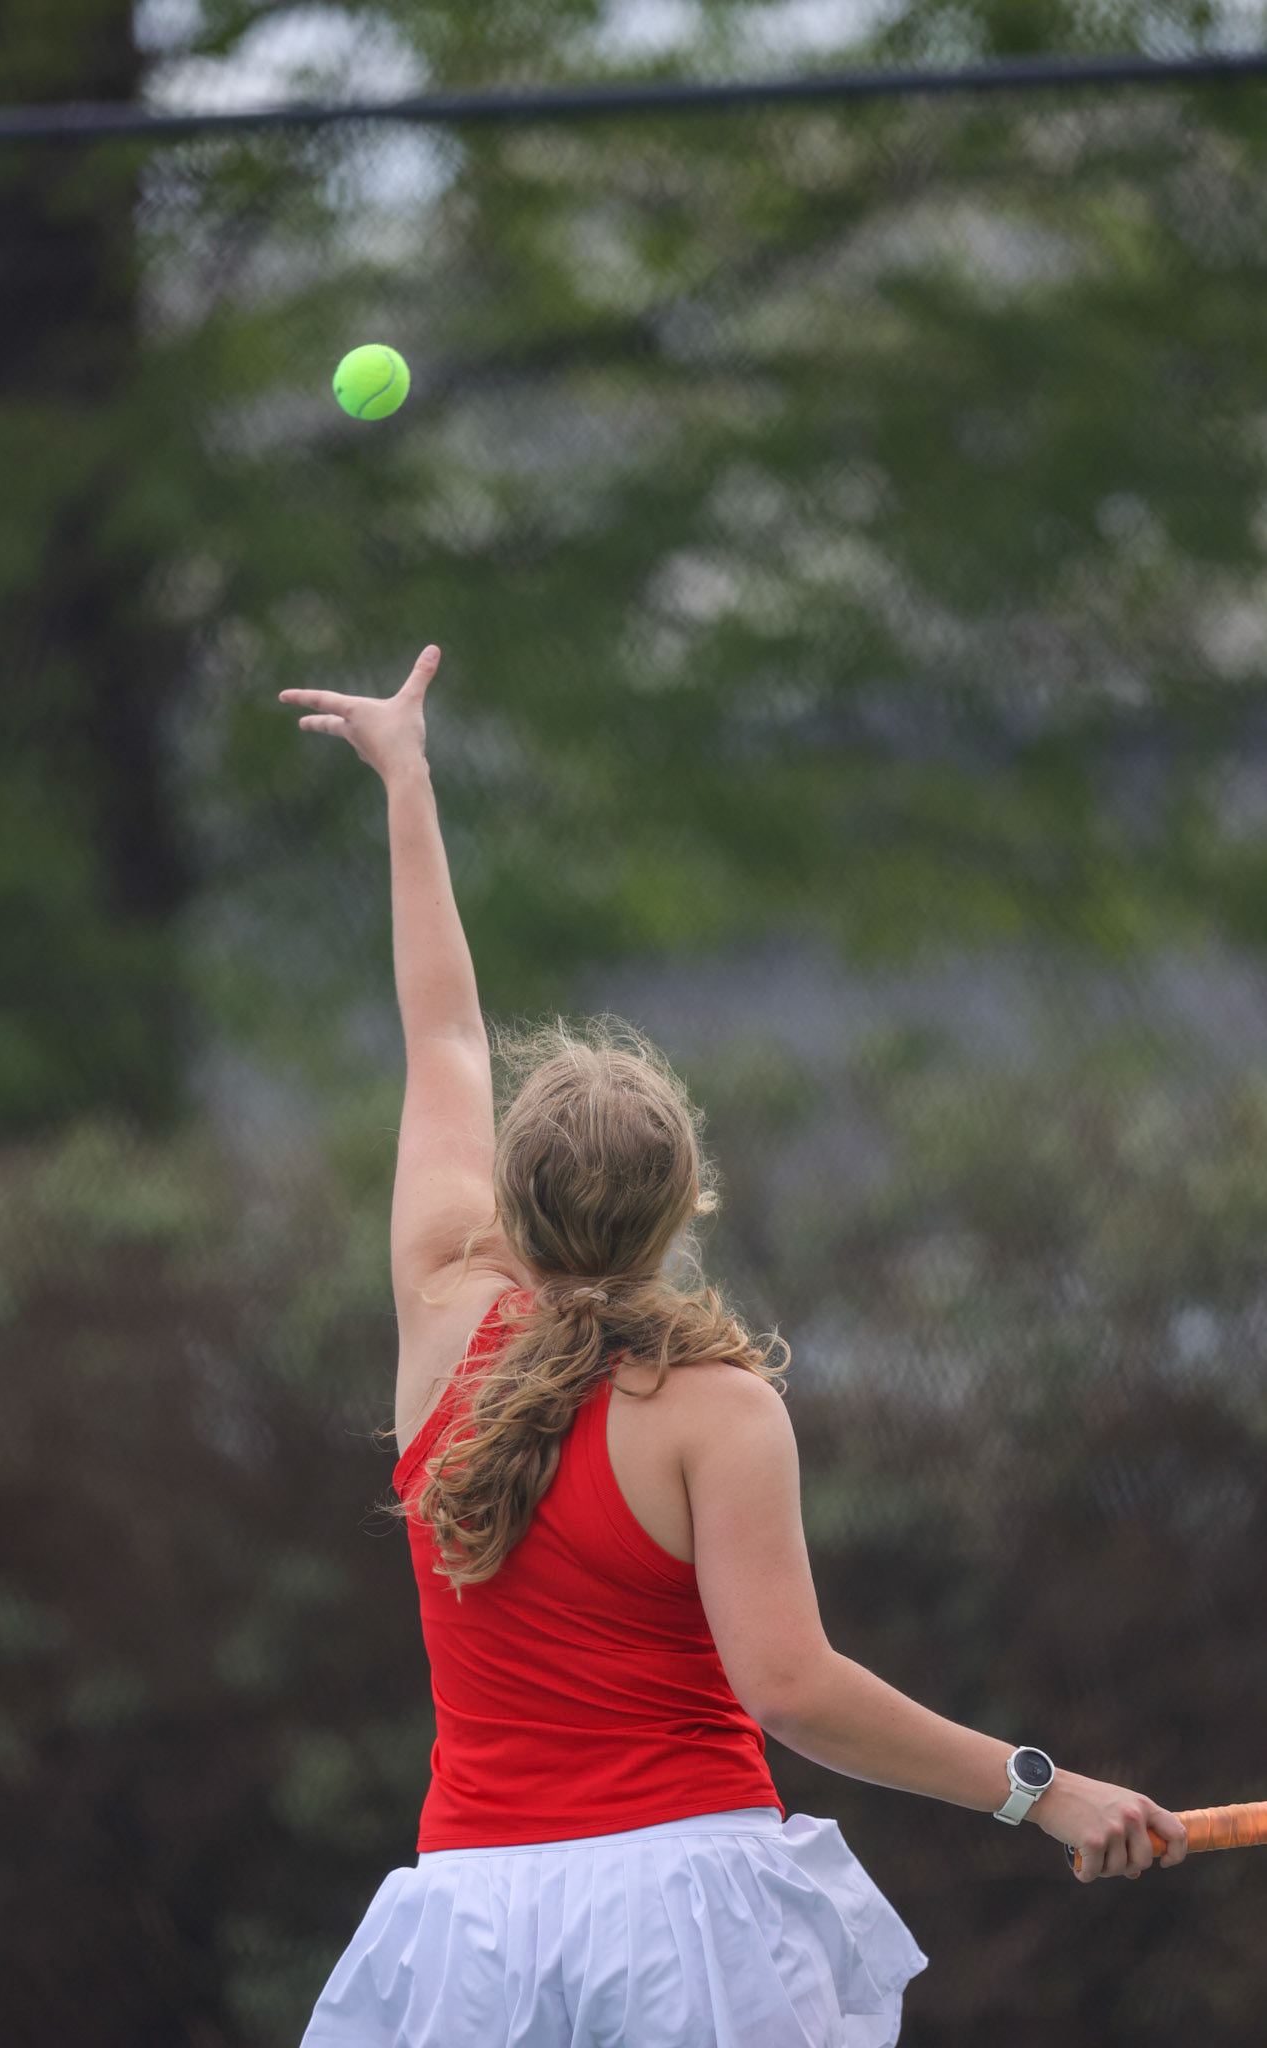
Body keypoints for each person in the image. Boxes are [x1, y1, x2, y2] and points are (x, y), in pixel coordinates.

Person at [280, 647, 1187, 2048]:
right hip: (684, 1921)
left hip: (470, 1927)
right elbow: (792, 1689)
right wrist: (1042, 1789)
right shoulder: (714, 1409)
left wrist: (407, 779)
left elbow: (444, 1031)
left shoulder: (439, 1304)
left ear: (510, 1194)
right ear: (682, 1203)